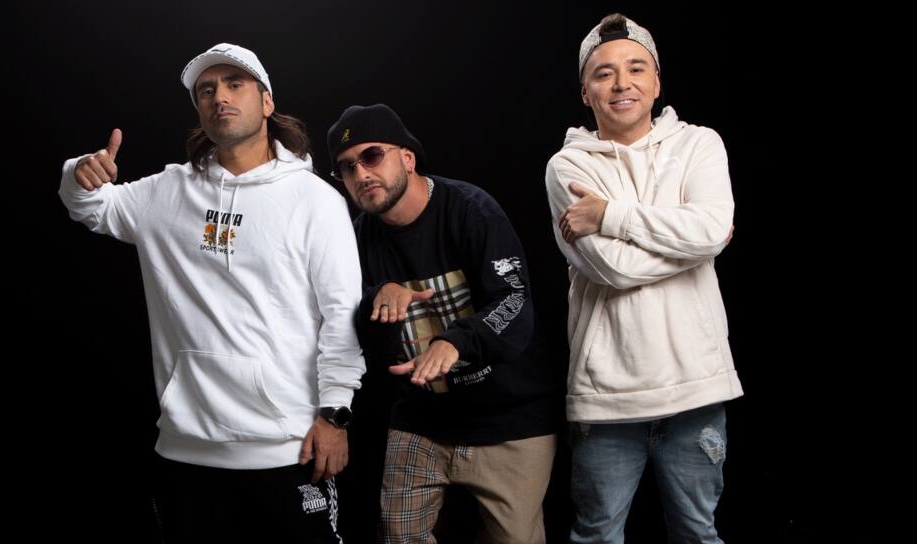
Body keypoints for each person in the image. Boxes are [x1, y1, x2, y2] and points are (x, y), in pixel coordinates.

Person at [58, 42, 364, 543]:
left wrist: (335, 414)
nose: (219, 96)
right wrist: (79, 174)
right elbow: (90, 206)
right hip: (185, 452)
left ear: (267, 102)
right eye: (206, 90)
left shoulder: (315, 201)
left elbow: (342, 314)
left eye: (234, 84)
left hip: (287, 448)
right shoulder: (165, 193)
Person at [544, 14, 743, 544]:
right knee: (598, 536)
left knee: (698, 534)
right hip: (607, 396)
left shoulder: (699, 145)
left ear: (656, 82)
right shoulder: (567, 166)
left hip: (696, 385)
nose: (621, 83)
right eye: (604, 73)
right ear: (585, 92)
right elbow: (613, 267)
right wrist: (698, 245)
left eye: (636, 68)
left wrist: (610, 215)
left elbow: (709, 228)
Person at [328, 103, 558, 544]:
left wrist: (455, 343)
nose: (361, 174)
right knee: (398, 536)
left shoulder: (470, 210)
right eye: (347, 167)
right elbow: (350, 334)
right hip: (422, 417)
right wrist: (377, 298)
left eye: (372, 156)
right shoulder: (354, 239)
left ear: (407, 157)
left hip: (508, 417)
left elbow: (514, 300)